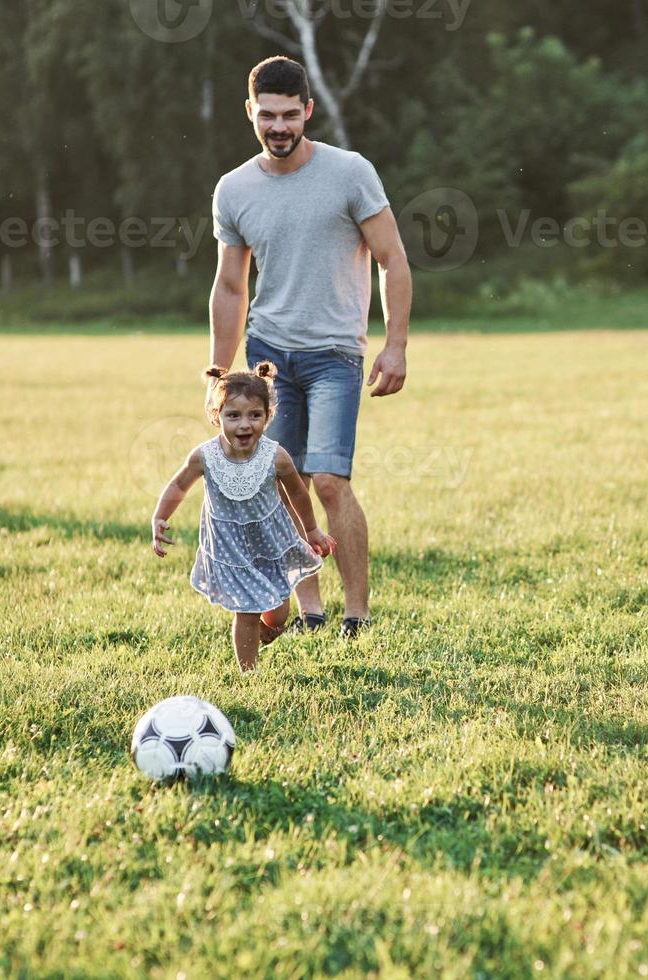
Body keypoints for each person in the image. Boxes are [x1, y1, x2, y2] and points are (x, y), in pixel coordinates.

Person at [207, 55, 412, 640]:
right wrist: (222, 375)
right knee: (281, 478)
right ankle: (311, 612)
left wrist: (395, 345)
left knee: (327, 481)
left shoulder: (349, 173)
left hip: (334, 356)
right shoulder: (234, 189)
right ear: (250, 112)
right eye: (267, 115)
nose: (278, 126)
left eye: (289, 116)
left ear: (308, 113)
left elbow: (393, 259)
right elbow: (229, 285)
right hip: (269, 357)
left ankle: (358, 615)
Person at [151, 363, 337, 672]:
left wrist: (313, 530)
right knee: (247, 610)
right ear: (216, 416)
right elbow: (178, 485)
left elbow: (298, 493)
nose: (244, 425)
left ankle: (261, 632)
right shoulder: (204, 456)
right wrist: (159, 517)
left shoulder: (276, 456)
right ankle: (248, 674)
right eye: (233, 416)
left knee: (278, 616)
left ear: (267, 416)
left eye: (255, 415)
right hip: (230, 548)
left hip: (270, 542)